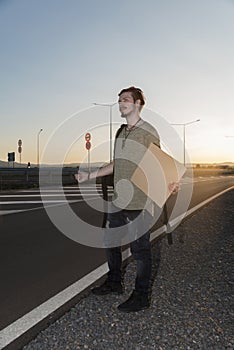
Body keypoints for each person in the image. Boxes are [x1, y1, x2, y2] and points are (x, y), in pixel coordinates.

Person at [75, 86, 178, 312]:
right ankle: (114, 282)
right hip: (119, 199)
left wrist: (170, 183)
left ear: (139, 104)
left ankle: (141, 296)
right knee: (110, 242)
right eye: (119, 100)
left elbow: (158, 164)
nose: (121, 103)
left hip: (140, 202)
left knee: (140, 250)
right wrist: (89, 175)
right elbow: (116, 164)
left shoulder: (148, 131)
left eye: (126, 100)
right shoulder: (121, 132)